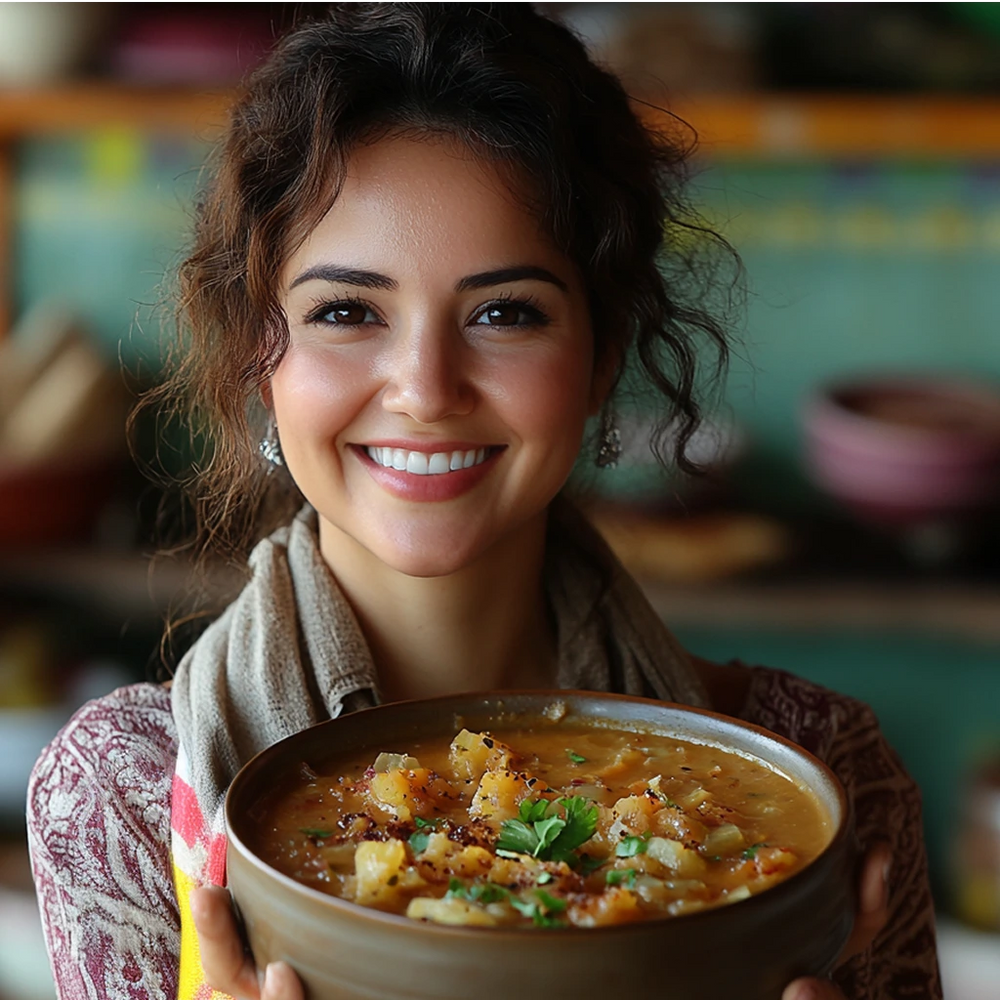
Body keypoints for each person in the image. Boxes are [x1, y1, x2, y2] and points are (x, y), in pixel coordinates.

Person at [26, 2, 941, 999]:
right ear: (261, 364)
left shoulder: (824, 776)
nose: (424, 385)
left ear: (599, 362)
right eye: (346, 312)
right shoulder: (121, 795)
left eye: (505, 312)